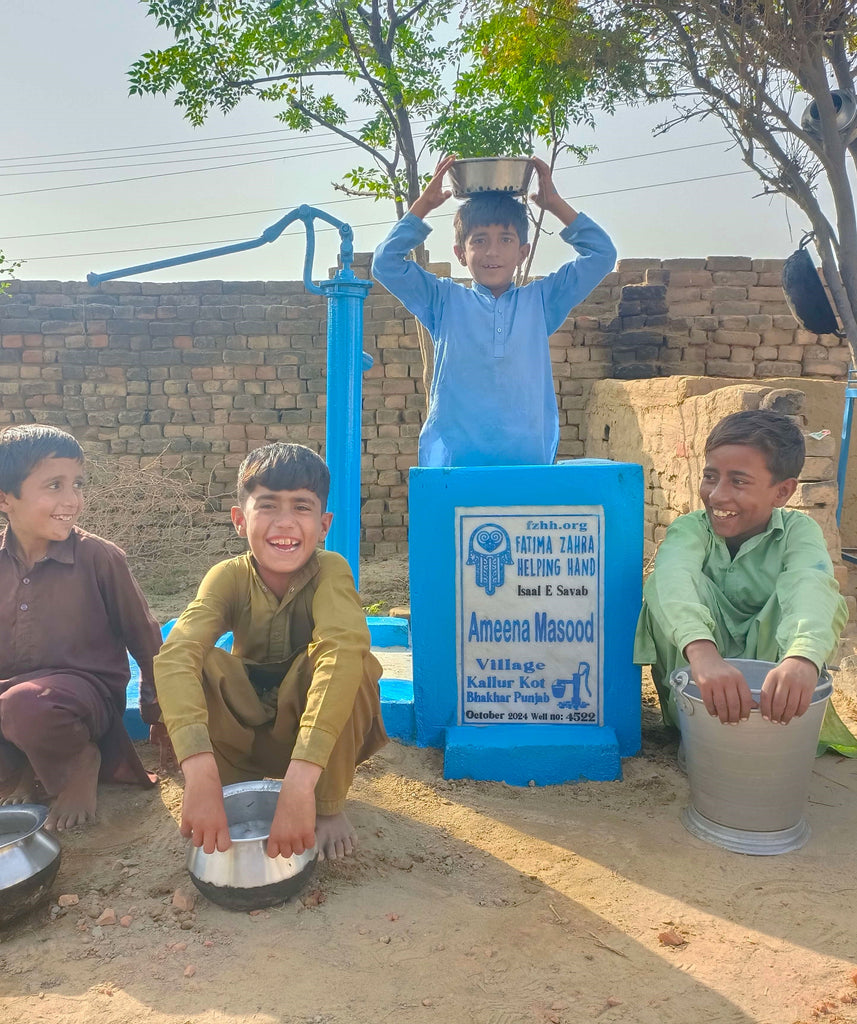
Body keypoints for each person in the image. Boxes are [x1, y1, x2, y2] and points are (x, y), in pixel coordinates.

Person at [0, 425, 165, 830]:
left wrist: (159, 712)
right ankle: (19, 776)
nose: (72, 501)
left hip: (82, 698)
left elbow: (145, 636)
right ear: (2, 499)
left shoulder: (99, 558)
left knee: (27, 706)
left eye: (77, 485)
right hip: (5, 697)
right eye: (54, 485)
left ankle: (79, 765)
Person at [152, 442, 387, 861]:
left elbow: (342, 647)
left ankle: (328, 806)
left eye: (301, 507)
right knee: (195, 659)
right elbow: (177, 652)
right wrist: (198, 772)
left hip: (313, 739)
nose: (285, 523)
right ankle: (223, 788)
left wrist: (301, 788)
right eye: (268, 506)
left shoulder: (331, 570)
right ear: (240, 520)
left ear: (324, 524)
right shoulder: (226, 577)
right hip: (243, 737)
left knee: (354, 663)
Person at [372, 153, 617, 468]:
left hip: (528, 466)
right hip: (453, 467)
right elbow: (385, 263)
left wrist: (554, 203)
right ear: (461, 253)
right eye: (479, 241)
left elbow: (603, 254)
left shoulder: (542, 301)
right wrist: (424, 205)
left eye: (505, 240)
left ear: (522, 252)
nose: (492, 252)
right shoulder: (443, 300)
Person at [634, 409, 856, 754]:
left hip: (774, 703)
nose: (718, 495)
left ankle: (773, 730)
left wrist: (803, 658)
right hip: (698, 684)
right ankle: (698, 731)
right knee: (664, 590)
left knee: (812, 595)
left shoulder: (799, 532)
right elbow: (672, 579)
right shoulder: (691, 529)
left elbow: (811, 587)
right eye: (710, 477)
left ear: (782, 492)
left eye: (738, 481)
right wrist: (703, 654)